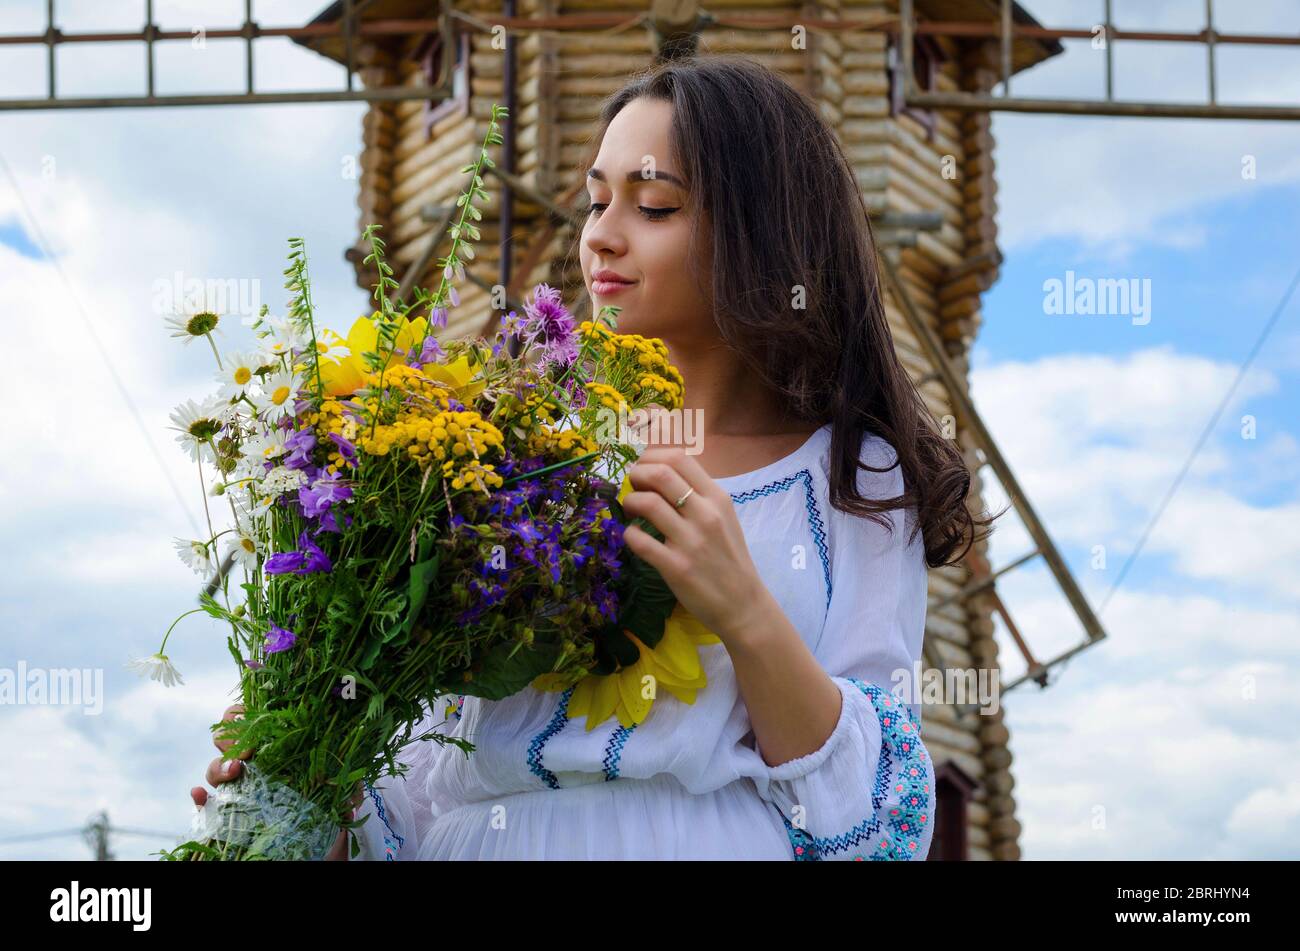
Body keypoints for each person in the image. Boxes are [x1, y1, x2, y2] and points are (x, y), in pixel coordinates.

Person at [191, 54, 993, 861]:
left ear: (766, 225)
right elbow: (422, 785)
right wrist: (303, 792)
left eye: (653, 205)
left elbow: (872, 825)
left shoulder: (855, 478)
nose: (601, 236)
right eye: (596, 200)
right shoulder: (507, 460)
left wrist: (746, 613)